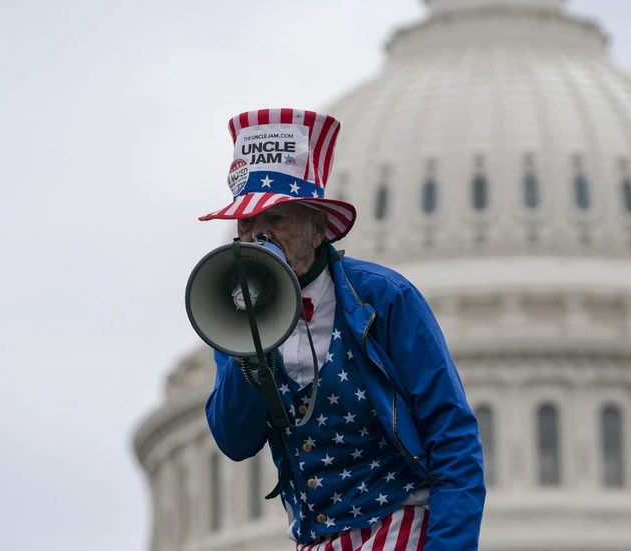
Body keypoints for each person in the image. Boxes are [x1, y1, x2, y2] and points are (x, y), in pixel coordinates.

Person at [198, 108, 485, 550]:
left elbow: (453, 437)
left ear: (316, 230)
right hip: (315, 538)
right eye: (248, 224)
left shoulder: (385, 298)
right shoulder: (235, 314)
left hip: (399, 527)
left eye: (276, 220)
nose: (259, 238)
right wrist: (247, 352)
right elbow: (236, 441)